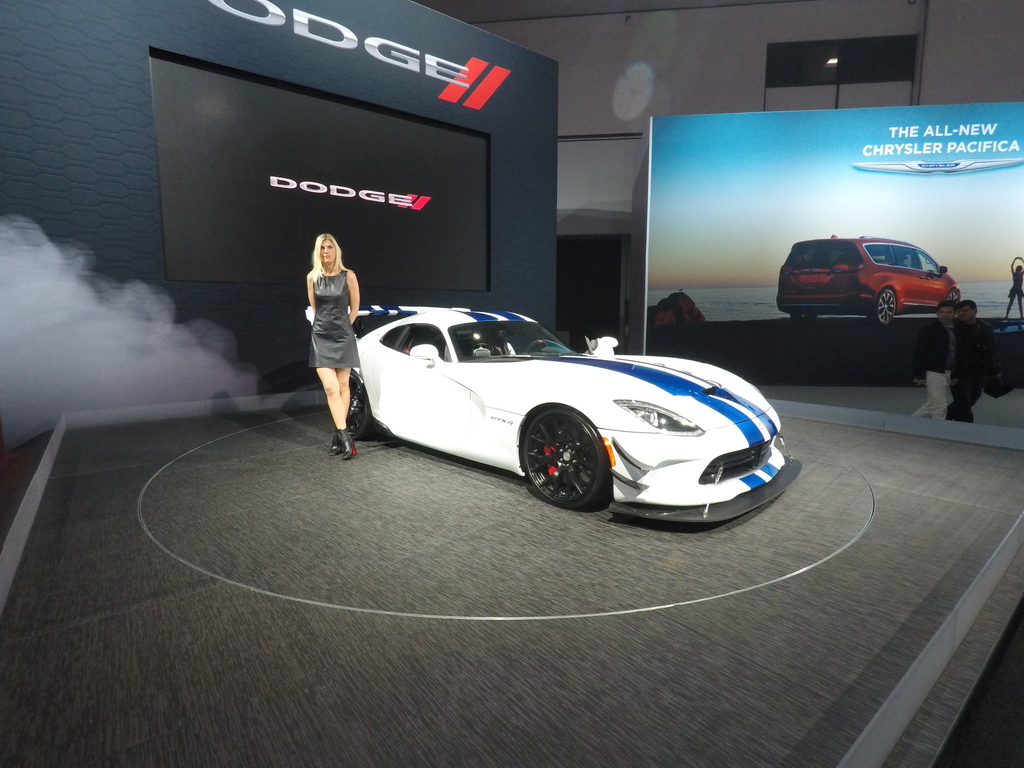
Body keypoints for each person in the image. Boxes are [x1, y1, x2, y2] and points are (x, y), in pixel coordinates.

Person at [307, 234, 361, 457]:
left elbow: (355, 308)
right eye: (322, 248)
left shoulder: (349, 276)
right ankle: (346, 438)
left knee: (343, 386)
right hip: (321, 335)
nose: (326, 251)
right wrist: (326, 325)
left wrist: (344, 326)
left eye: (330, 247)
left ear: (336, 250)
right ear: (317, 252)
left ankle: (337, 436)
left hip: (343, 336)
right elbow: (315, 309)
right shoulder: (312, 277)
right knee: (331, 388)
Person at [947, 299, 1001, 423]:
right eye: (959, 311)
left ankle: (938, 420)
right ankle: (966, 429)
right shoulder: (953, 328)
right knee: (963, 403)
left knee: (972, 399)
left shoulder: (985, 327)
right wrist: (952, 373)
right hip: (959, 372)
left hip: (978, 371)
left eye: (965, 310)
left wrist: (996, 370)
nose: (961, 313)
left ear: (975, 311)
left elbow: (992, 349)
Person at [912, 300, 958, 419]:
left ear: (955, 314)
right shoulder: (929, 330)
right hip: (934, 371)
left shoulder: (956, 330)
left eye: (949, 312)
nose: (945, 315)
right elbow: (920, 352)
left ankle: (907, 423)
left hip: (948, 371)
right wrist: (919, 375)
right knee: (940, 407)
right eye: (942, 312)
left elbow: (954, 353)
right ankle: (938, 430)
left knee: (932, 404)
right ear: (937, 313)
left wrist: (954, 374)